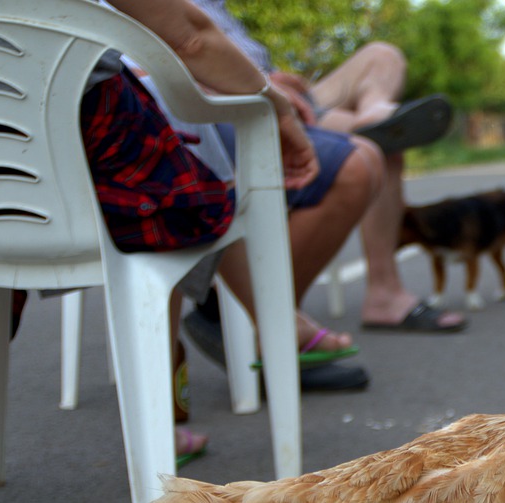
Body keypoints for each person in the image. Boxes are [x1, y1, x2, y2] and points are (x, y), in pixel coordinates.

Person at [71, 0, 319, 462]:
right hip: (115, 184)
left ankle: (269, 326)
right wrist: (277, 107)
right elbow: (189, 38)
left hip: (13, 188)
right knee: (174, 184)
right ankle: (270, 323)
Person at [180, 0, 464, 393]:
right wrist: (259, 87)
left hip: (263, 88)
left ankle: (374, 115)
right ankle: (252, 318)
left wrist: (272, 78)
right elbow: (186, 44)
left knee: (382, 60)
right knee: (361, 160)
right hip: (221, 100)